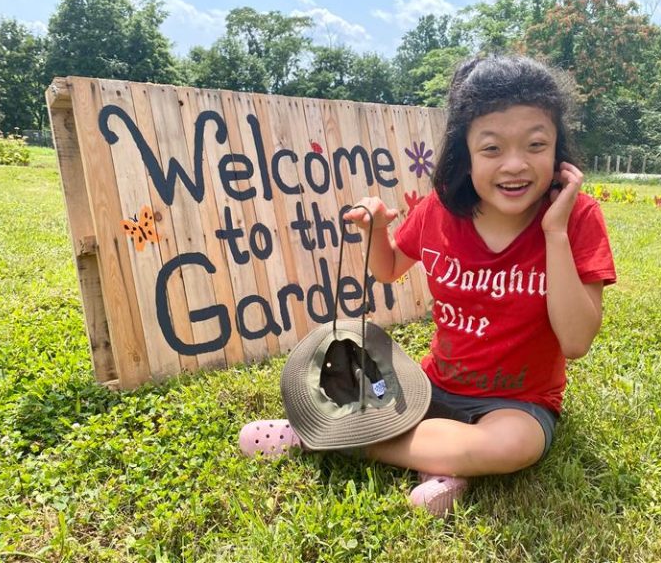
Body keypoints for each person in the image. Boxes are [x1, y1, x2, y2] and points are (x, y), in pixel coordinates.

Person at [239, 54, 616, 517]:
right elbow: (389, 268)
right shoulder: (441, 209)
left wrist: (554, 234)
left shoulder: (578, 219)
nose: (515, 165)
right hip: (432, 387)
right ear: (465, 153)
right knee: (430, 421)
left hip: (518, 402)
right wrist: (377, 231)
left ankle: (326, 437)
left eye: (536, 145)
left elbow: (576, 342)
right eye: (492, 149)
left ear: (557, 150)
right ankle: (444, 461)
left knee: (513, 446)